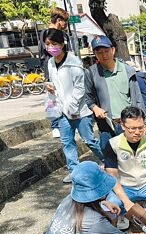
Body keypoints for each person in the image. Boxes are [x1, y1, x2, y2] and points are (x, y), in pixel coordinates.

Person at [45, 29, 103, 184]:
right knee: (67, 142)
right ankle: (74, 171)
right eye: (48, 44)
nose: (51, 47)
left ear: (62, 44)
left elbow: (80, 87)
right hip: (63, 111)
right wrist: (50, 87)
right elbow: (56, 83)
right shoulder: (50, 63)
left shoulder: (74, 63)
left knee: (89, 139)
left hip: (81, 111)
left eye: (54, 43)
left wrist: (72, 106)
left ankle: (108, 161)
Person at [85, 35, 145, 151]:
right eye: (99, 52)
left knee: (132, 156)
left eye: (106, 51)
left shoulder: (127, 70)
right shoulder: (91, 73)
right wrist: (95, 108)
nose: (104, 55)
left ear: (113, 50)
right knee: (110, 159)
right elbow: (88, 97)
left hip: (129, 124)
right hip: (107, 125)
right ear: (95, 54)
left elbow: (137, 98)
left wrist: (142, 121)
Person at [38, 7, 71, 138]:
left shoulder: (64, 35)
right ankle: (55, 125)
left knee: (66, 95)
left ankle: (66, 120)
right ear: (59, 20)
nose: (65, 25)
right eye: (65, 22)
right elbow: (43, 55)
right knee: (53, 99)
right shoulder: (45, 34)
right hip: (51, 71)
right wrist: (46, 75)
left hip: (65, 70)